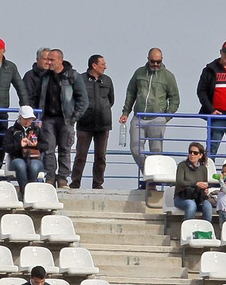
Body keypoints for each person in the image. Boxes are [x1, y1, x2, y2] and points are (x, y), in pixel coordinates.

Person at [32, 48, 84, 187]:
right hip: (47, 119)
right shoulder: (44, 77)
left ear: (60, 60)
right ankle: (50, 177)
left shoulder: (72, 76)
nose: (48, 62)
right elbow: (36, 97)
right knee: (48, 149)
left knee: (64, 150)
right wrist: (37, 116)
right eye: (47, 59)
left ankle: (62, 179)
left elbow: (83, 100)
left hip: (66, 119)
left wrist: (74, 118)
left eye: (52, 60)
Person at [120, 48, 179, 169]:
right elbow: (131, 93)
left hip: (157, 118)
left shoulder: (168, 76)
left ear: (162, 60)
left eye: (158, 61)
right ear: (148, 59)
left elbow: (175, 99)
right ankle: (148, 172)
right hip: (139, 117)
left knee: (156, 152)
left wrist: (166, 117)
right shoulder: (139, 73)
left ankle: (154, 176)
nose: (155, 64)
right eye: (153, 61)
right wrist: (126, 112)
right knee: (135, 149)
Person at [72, 55, 115, 189]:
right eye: (102, 64)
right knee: (80, 156)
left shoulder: (107, 80)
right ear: (94, 65)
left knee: (100, 156)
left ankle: (97, 184)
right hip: (84, 124)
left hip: (103, 124)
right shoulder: (80, 79)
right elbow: (75, 99)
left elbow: (111, 100)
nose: (105, 67)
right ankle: (75, 183)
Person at [3, 106, 44, 191]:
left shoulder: (37, 130)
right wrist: (19, 145)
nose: (28, 121)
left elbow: (46, 146)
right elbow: (6, 147)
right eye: (26, 119)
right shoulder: (12, 130)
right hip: (17, 158)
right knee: (20, 166)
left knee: (33, 166)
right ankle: (25, 191)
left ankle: (29, 191)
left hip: (35, 158)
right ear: (20, 117)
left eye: (30, 119)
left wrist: (36, 145)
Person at [172, 142, 215, 223]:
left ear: (200, 155)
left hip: (198, 197)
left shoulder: (203, 169)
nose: (192, 154)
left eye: (195, 153)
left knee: (208, 206)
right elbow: (180, 182)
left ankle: (207, 228)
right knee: (191, 205)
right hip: (181, 197)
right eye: (190, 152)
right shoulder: (182, 165)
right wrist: (195, 184)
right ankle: (188, 227)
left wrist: (205, 189)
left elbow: (204, 183)